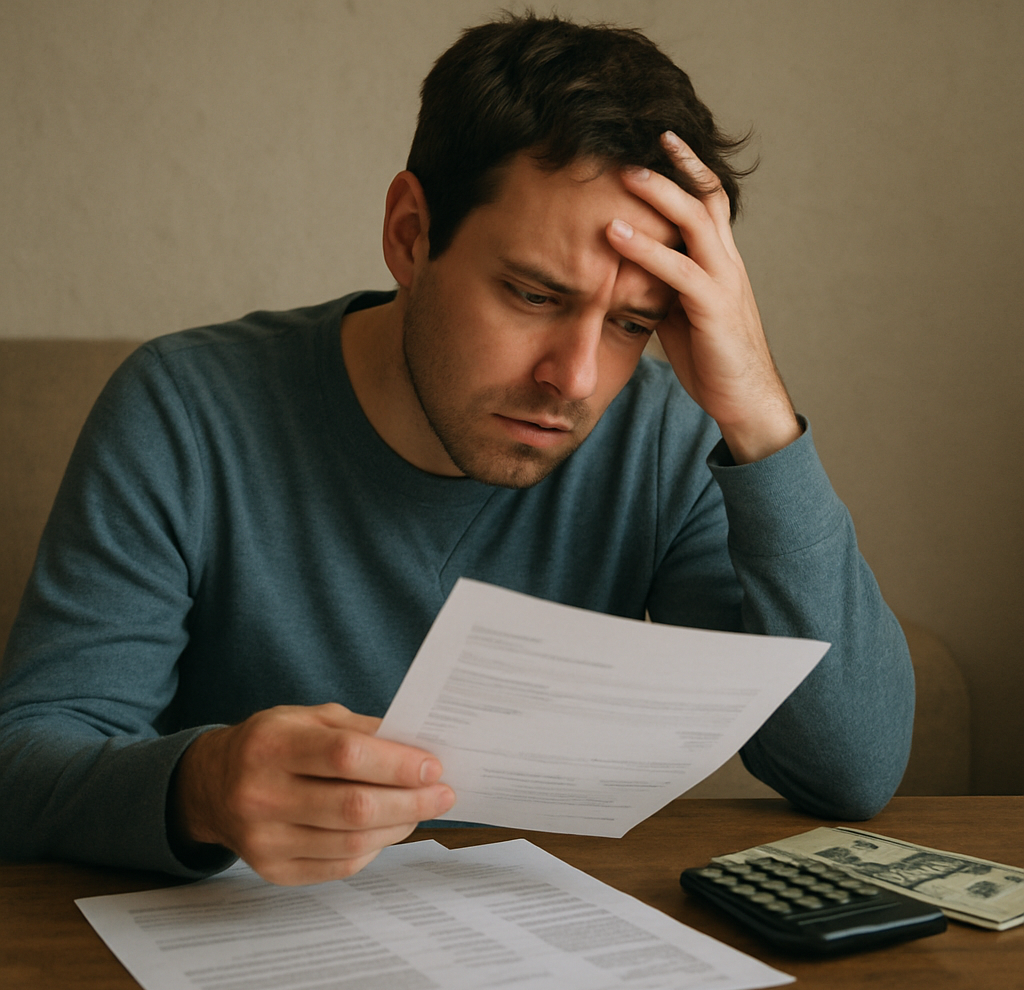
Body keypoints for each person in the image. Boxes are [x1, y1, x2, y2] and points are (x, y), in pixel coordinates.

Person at [0, 13, 913, 885]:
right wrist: (201, 786)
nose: (578, 377)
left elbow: (852, 769)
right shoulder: (185, 410)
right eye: (532, 295)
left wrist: (758, 416)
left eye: (634, 323)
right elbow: (27, 764)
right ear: (411, 234)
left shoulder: (666, 441)